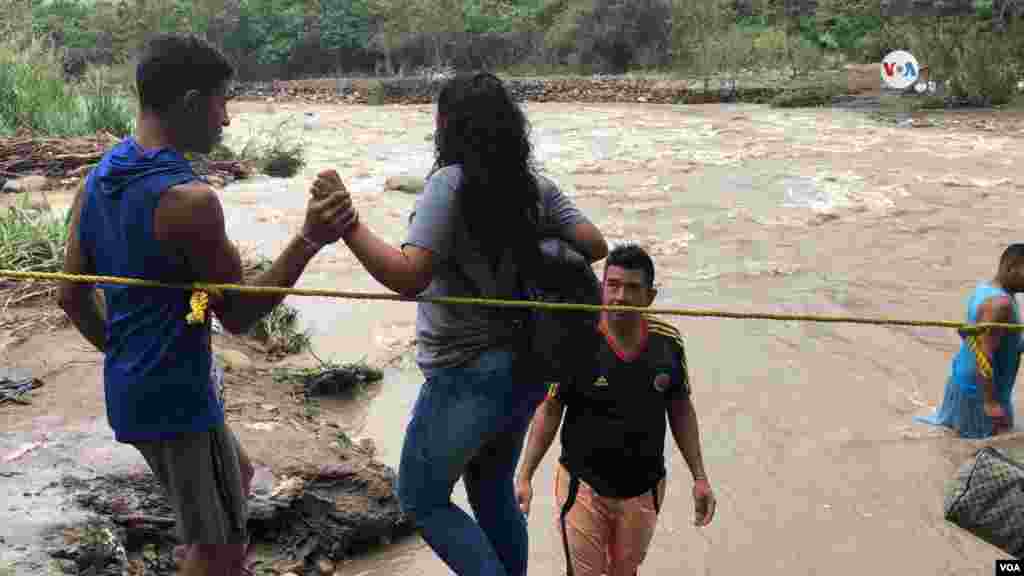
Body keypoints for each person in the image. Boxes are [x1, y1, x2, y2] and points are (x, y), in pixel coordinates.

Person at [57, 34, 356, 576]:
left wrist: (123, 354)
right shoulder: (190, 202)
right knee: (218, 551)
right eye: (223, 101)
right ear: (192, 103)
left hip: (133, 388)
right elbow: (239, 317)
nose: (227, 119)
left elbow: (69, 296)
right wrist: (310, 239)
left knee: (234, 484)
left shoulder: (97, 177)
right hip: (176, 397)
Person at [315, 72, 607, 576]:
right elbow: (595, 245)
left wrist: (349, 225)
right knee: (489, 486)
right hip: (529, 367)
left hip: (466, 371)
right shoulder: (537, 188)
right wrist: (532, 249)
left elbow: (409, 276)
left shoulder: (449, 184)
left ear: (447, 126)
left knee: (421, 497)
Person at [515, 243, 716, 576]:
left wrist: (700, 478)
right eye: (613, 285)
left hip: (645, 487)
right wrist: (525, 475)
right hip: (582, 486)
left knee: (625, 570)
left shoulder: (668, 343)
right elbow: (550, 409)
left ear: (650, 297)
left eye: (633, 288)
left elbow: (681, 410)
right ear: (601, 289)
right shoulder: (576, 339)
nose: (620, 296)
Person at [915, 244, 1024, 438]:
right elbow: (984, 352)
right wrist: (990, 403)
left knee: (958, 444)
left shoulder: (986, 290)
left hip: (962, 383)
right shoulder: (1001, 304)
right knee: (987, 450)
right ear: (1012, 268)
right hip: (980, 393)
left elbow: (982, 337)